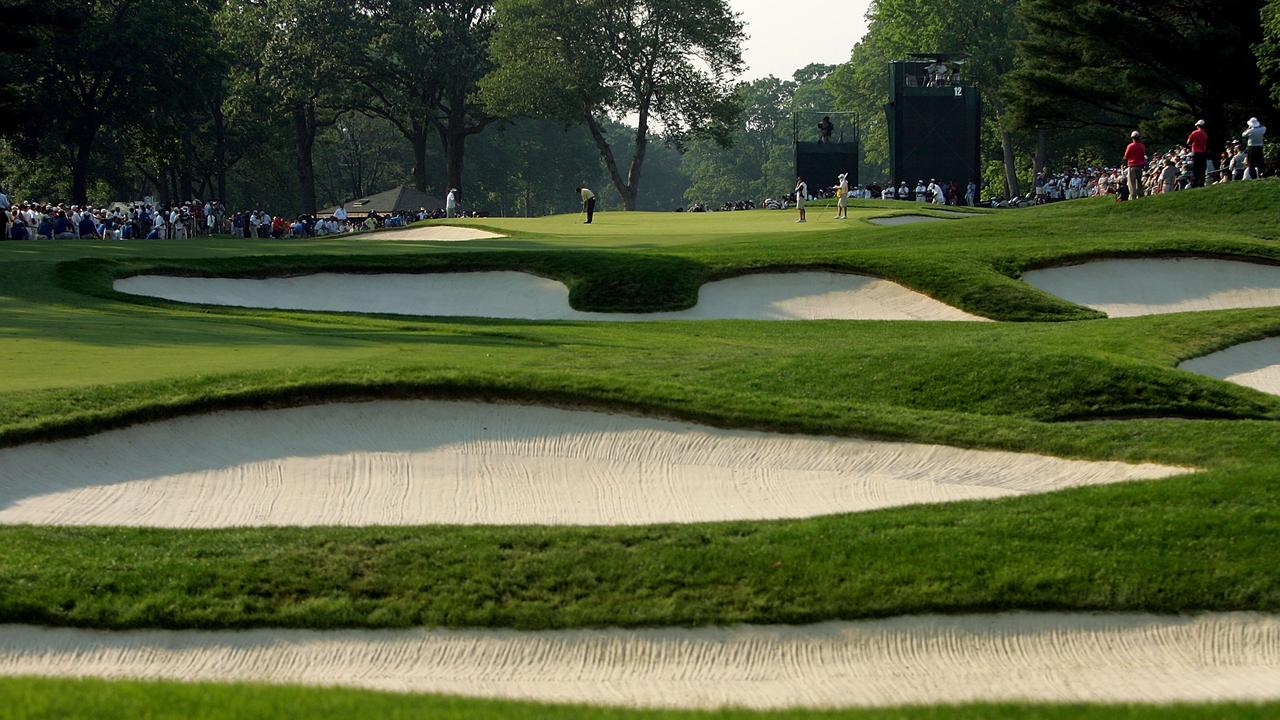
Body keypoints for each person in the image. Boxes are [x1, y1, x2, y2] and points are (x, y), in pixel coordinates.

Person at [1124, 130, 1147, 199]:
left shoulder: (1130, 146)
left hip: (1132, 166)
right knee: (1139, 183)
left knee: (1132, 184)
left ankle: (1133, 197)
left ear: (1132, 138)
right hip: (1140, 167)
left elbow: (1126, 156)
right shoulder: (1142, 146)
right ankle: (1141, 196)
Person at [1187, 120, 1209, 188]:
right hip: (1203, 153)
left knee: (1196, 169)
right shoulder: (1205, 134)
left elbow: (1188, 142)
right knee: (1202, 169)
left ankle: (1194, 184)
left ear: (1198, 126)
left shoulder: (1195, 132)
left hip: (1196, 153)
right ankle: (1201, 183)